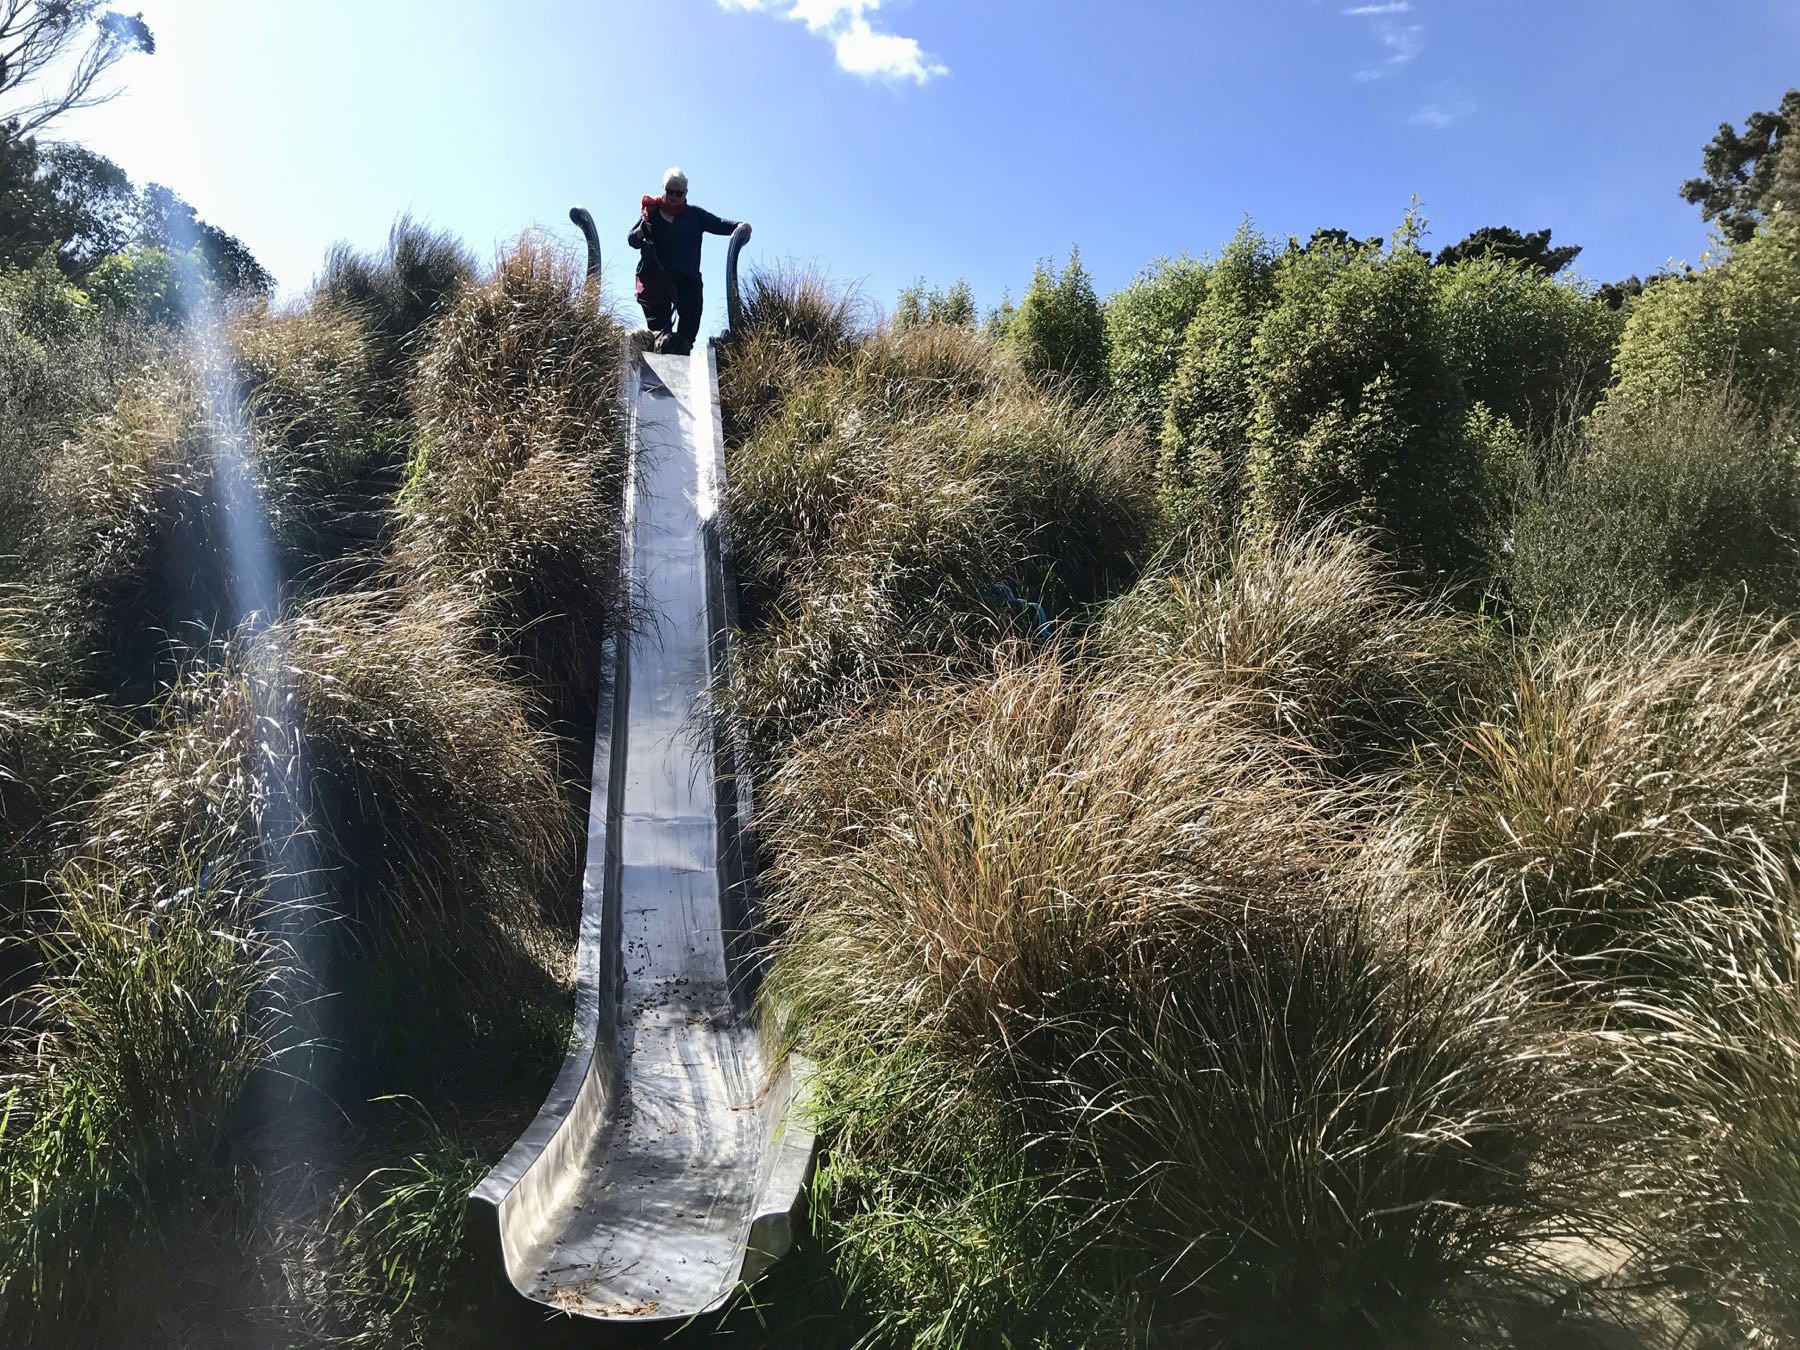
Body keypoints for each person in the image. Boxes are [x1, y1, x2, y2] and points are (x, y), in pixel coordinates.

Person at [627, 167, 748, 356]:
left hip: (687, 279)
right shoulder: (651, 213)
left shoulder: (695, 215)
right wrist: (641, 231)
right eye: (669, 191)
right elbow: (632, 240)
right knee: (660, 330)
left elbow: (719, 224)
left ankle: (682, 356)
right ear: (663, 188)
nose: (674, 196)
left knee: (689, 324)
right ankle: (657, 353)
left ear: (686, 193)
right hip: (656, 280)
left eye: (679, 192)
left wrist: (739, 227)